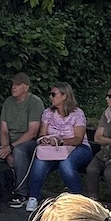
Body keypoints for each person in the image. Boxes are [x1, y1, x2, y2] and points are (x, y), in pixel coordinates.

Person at [0, 72, 44, 206]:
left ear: (26, 87)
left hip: (28, 143)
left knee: (19, 151)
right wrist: (6, 151)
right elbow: (3, 130)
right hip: (9, 142)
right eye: (13, 84)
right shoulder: (8, 102)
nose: (13, 87)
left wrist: (11, 148)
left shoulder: (35, 103)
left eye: (17, 84)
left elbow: (32, 132)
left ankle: (21, 192)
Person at [23, 82, 93, 212]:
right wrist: (45, 140)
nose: (50, 97)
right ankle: (33, 197)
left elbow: (78, 139)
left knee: (66, 164)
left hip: (78, 147)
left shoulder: (77, 113)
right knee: (39, 162)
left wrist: (60, 141)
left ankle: (78, 200)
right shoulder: (48, 113)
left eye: (53, 94)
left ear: (64, 96)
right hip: (53, 150)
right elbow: (42, 134)